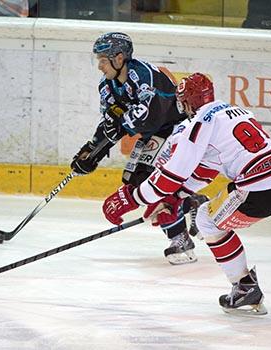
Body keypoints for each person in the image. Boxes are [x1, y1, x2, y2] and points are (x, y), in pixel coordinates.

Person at [101, 72, 271, 318]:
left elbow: (171, 174)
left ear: (188, 102)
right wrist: (177, 198)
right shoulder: (235, 111)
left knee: (207, 222)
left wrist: (131, 199)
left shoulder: (199, 123)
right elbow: (208, 169)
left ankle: (244, 288)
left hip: (259, 184)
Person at [71, 32, 208, 265]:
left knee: (148, 181)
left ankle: (180, 240)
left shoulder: (144, 75)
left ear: (120, 57)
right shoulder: (107, 86)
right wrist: (92, 151)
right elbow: (110, 123)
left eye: (103, 60)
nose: (100, 67)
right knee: (132, 180)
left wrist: (120, 125)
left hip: (177, 128)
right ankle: (191, 202)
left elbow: (151, 117)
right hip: (156, 132)